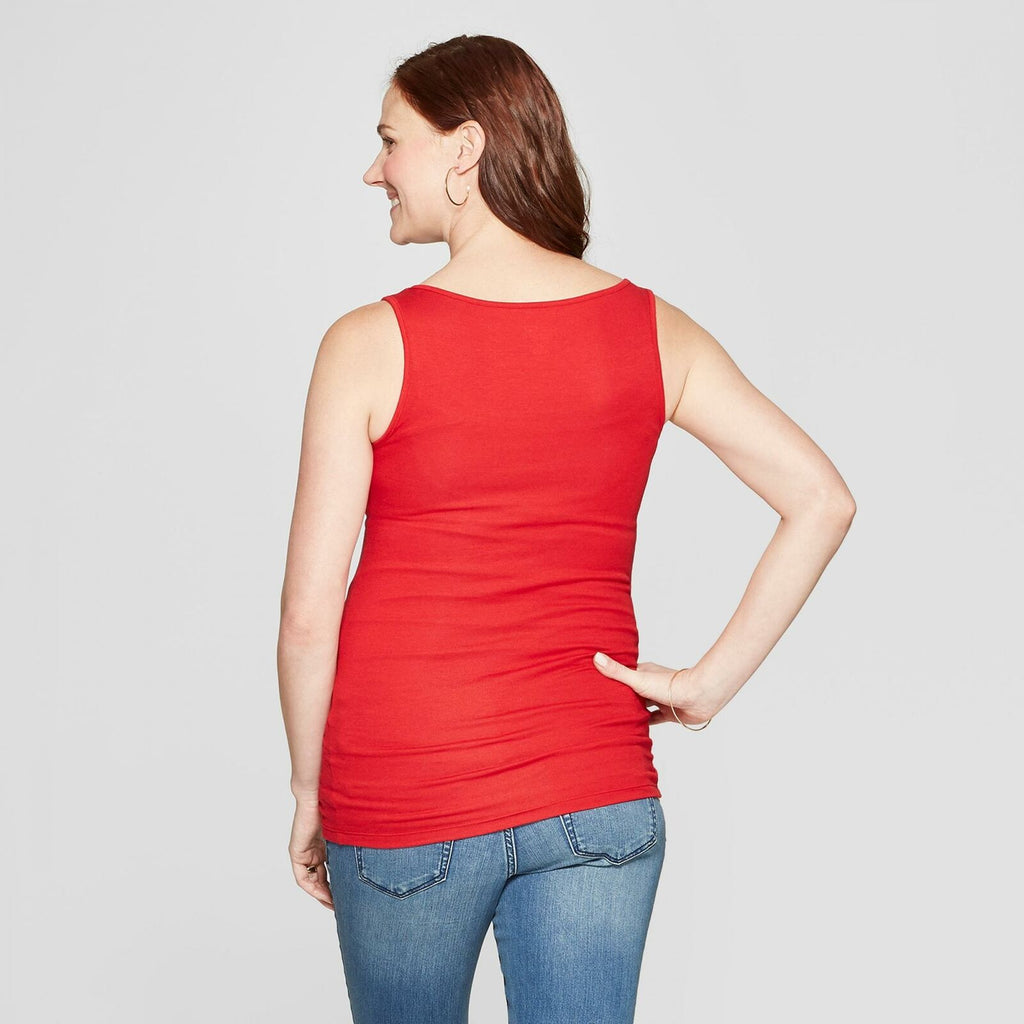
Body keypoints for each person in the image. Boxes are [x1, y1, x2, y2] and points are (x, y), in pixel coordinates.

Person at [277, 33, 856, 1024]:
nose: (375, 169)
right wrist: (703, 686)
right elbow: (822, 497)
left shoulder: (366, 344)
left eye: (391, 141)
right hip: (597, 793)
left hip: (407, 783)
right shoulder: (653, 329)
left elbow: (306, 615)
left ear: (463, 149)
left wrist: (305, 788)